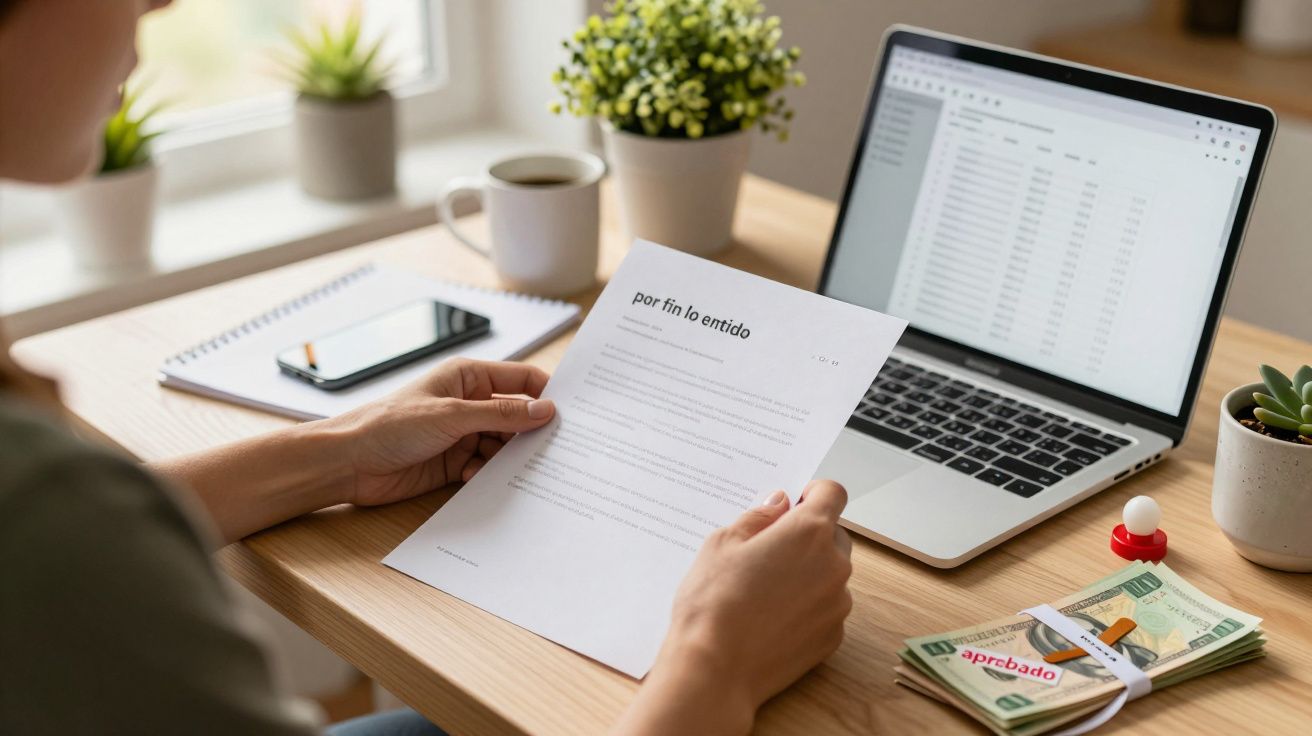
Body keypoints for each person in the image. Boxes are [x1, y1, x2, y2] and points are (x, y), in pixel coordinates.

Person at [0, 2, 855, 735]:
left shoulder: (51, 507)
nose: (160, 4)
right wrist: (716, 660)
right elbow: (60, 539)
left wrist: (339, 450)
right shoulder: (48, 512)